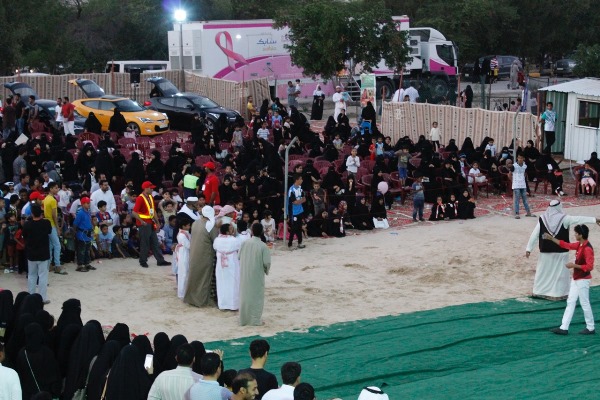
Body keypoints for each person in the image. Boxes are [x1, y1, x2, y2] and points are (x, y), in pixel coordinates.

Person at [526, 200, 600, 300]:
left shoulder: (543, 219)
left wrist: (529, 248)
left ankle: (539, 292)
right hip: (561, 252)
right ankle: (558, 294)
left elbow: (535, 234)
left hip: (545, 251)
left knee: (543, 272)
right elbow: (578, 219)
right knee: (560, 274)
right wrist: (594, 220)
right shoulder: (564, 219)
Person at [543, 225, 595, 335]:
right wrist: (551, 238)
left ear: (580, 235)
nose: (574, 235)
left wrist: (574, 265)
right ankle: (564, 327)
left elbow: (589, 267)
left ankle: (590, 327)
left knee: (584, 303)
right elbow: (566, 245)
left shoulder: (587, 249)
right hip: (577, 278)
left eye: (576, 233)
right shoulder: (581, 244)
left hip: (583, 280)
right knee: (571, 301)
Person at [184, 206, 218, 307]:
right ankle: (201, 300)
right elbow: (215, 241)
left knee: (194, 276)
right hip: (205, 255)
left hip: (194, 253)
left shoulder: (195, 223)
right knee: (204, 277)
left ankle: (190, 298)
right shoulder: (211, 225)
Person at [238, 224, 271, 326]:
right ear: (262, 232)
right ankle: (255, 320)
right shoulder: (263, 246)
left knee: (244, 295)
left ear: (252, 231)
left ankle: (243, 319)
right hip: (256, 274)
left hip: (245, 272)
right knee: (256, 296)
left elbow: (239, 256)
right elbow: (267, 263)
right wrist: (266, 270)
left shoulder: (244, 243)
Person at [132, 181, 170, 268]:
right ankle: (143, 261)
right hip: (144, 224)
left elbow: (153, 211)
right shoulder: (140, 198)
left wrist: (157, 222)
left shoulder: (150, 197)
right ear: (146, 188)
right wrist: (141, 221)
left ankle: (160, 260)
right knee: (145, 243)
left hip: (150, 222)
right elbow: (134, 212)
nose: (152, 189)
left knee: (155, 242)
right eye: (151, 188)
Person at [23, 204, 52, 304]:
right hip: (43, 254)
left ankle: (31, 297)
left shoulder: (27, 224)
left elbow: (24, 236)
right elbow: (49, 231)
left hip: (31, 253)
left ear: (32, 213)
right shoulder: (46, 223)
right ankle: (42, 298)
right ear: (41, 212)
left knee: (32, 275)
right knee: (43, 276)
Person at [213, 223, 242, 311]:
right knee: (233, 283)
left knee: (221, 283)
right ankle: (233, 305)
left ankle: (223, 304)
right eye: (231, 229)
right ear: (227, 231)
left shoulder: (217, 239)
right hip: (232, 263)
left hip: (220, 264)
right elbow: (239, 248)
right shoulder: (234, 240)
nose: (233, 230)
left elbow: (215, 247)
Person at [43, 182, 65, 273]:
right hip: (51, 224)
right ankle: (57, 265)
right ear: (51, 189)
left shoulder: (46, 198)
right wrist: (58, 228)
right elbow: (54, 216)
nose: (57, 189)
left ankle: (49, 265)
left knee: (50, 245)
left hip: (46, 224)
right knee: (57, 245)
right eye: (55, 188)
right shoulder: (52, 200)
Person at [512, 154, 535, 219]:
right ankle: (517, 213)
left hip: (523, 184)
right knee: (517, 199)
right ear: (517, 158)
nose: (520, 159)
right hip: (516, 185)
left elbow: (525, 174)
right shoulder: (514, 166)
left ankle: (528, 212)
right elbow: (509, 174)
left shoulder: (525, 166)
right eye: (519, 158)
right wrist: (513, 181)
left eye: (521, 158)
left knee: (525, 199)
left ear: (523, 159)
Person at [176, 217, 192, 299]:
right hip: (183, 253)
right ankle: (181, 293)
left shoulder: (186, 233)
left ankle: (185, 291)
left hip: (186, 253)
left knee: (186, 273)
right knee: (183, 273)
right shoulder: (182, 235)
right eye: (188, 225)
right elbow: (189, 245)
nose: (189, 227)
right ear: (183, 226)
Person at [287, 174, 306, 249]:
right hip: (294, 212)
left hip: (300, 210)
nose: (302, 180)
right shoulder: (291, 190)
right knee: (294, 228)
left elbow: (304, 199)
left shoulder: (300, 188)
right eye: (300, 179)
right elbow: (294, 202)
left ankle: (300, 243)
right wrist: (300, 201)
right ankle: (290, 244)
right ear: (296, 180)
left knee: (299, 227)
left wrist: (299, 201)